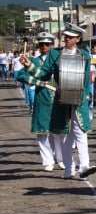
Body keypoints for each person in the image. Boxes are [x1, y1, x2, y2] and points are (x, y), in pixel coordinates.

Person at [20, 23, 96, 179]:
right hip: (61, 99)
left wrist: (87, 97)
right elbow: (43, 74)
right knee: (65, 134)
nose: (66, 39)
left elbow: (86, 80)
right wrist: (28, 65)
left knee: (80, 132)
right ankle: (69, 169)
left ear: (78, 39)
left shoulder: (85, 56)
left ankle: (84, 166)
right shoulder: (55, 54)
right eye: (65, 36)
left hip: (79, 100)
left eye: (70, 37)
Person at [15, 32, 65, 172]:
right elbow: (19, 75)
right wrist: (37, 82)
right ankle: (47, 161)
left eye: (47, 44)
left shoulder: (59, 59)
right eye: (41, 44)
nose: (44, 47)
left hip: (58, 98)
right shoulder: (34, 61)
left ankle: (61, 159)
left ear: (52, 45)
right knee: (42, 132)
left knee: (58, 132)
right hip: (42, 98)